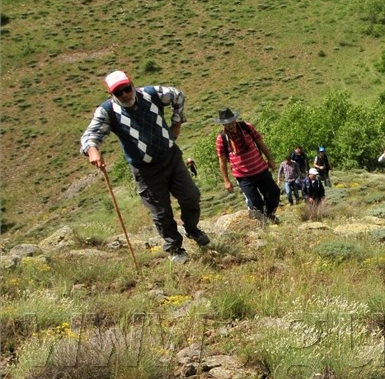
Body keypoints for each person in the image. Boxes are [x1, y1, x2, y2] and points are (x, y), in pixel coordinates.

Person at [80, 70, 208, 263]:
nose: (125, 94)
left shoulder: (152, 94)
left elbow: (178, 95)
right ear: (111, 95)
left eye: (126, 88)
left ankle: (192, 230)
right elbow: (90, 135)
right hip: (146, 170)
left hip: (171, 158)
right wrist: (92, 150)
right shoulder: (108, 111)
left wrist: (177, 123)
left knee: (191, 196)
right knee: (161, 211)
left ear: (132, 85)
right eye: (118, 92)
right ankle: (175, 248)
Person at [215, 108, 280, 224]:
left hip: (261, 170)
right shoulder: (222, 138)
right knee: (256, 203)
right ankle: (264, 225)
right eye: (227, 124)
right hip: (243, 176)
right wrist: (226, 180)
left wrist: (270, 159)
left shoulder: (247, 127)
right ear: (223, 125)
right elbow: (222, 160)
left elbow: (260, 143)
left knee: (274, 192)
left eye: (232, 123)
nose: (230, 126)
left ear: (235, 120)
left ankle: (269, 215)